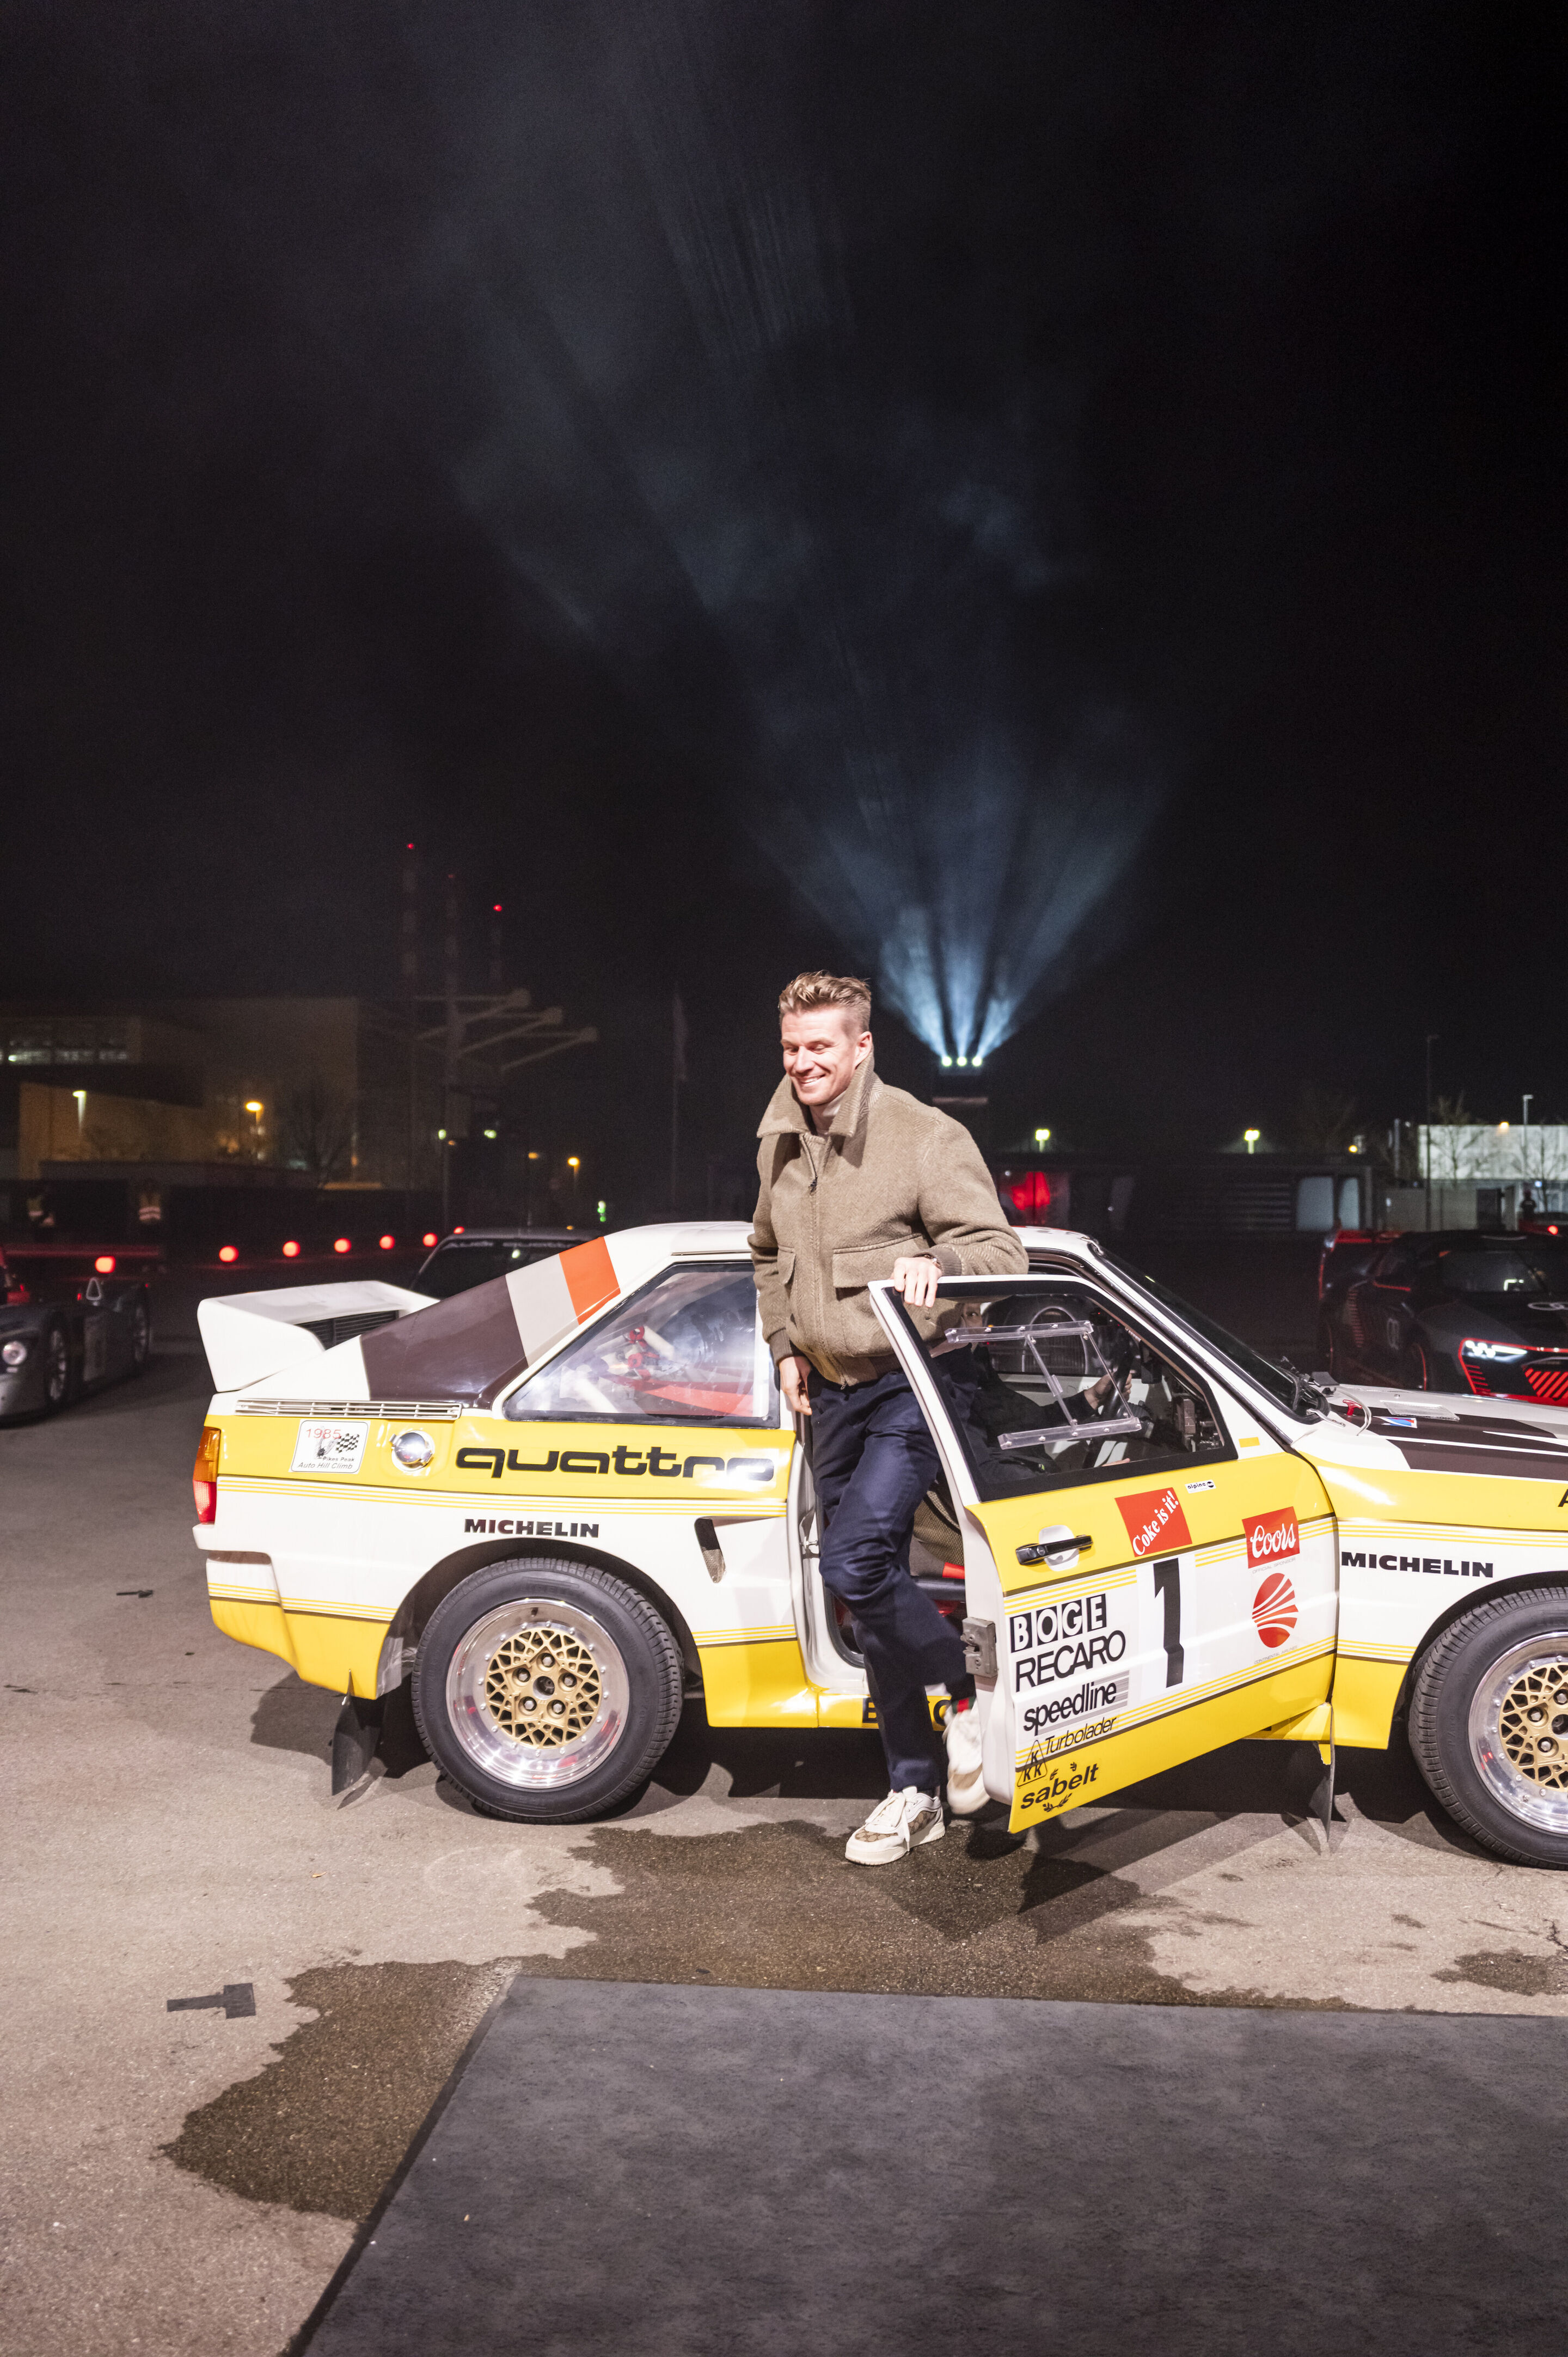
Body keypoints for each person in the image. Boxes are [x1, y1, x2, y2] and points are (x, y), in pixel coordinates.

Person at [749, 970, 1028, 1865]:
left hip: (911, 1384)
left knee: (856, 1555)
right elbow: (764, 1255)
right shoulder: (780, 1140)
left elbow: (1002, 1248)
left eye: (821, 1047)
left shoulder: (922, 1133)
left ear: (862, 1046)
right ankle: (914, 1787)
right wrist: (787, 1346)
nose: (803, 1064)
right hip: (828, 1389)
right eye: (792, 1048)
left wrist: (937, 1266)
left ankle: (971, 1698)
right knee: (866, 1603)